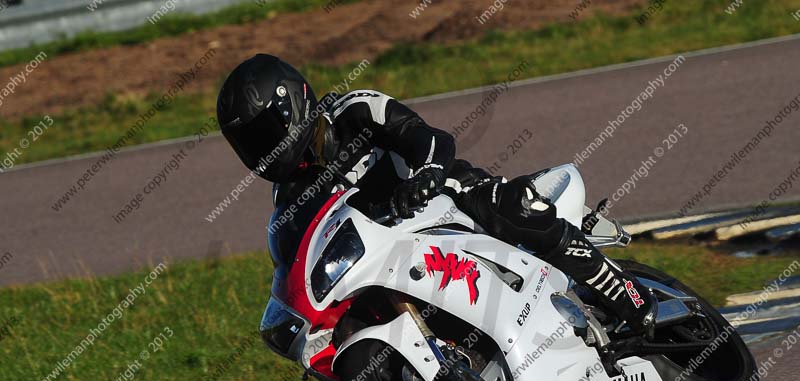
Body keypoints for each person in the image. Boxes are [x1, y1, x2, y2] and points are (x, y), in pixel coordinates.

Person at [216, 54, 655, 333]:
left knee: (510, 208)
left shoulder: (353, 111)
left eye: (263, 134)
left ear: (292, 102)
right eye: (247, 145)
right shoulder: (289, 197)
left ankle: (625, 293)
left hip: (446, 198)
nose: (260, 150)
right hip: (398, 255)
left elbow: (427, 137)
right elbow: (296, 258)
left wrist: (425, 175)